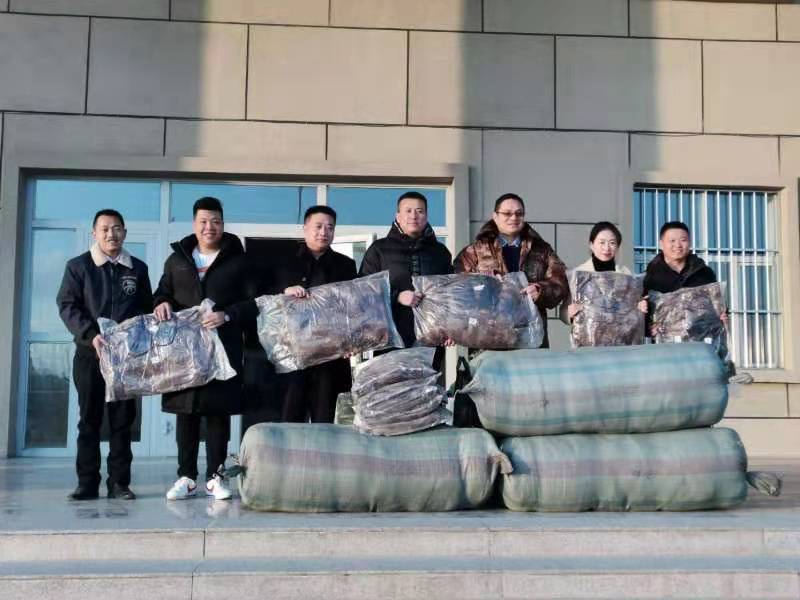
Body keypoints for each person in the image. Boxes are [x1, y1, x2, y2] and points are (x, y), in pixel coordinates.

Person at [153, 197, 255, 501]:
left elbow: (254, 303)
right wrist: (162, 302)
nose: (210, 227)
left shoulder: (239, 260)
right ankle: (185, 477)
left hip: (222, 350)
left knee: (217, 414)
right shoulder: (177, 260)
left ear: (223, 224)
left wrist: (227, 315)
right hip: (184, 351)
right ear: (194, 224)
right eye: (204, 221)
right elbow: (162, 292)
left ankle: (215, 477)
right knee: (186, 413)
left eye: (216, 221)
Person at [57, 209, 153, 501]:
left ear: (125, 232)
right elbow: (67, 305)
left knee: (123, 422)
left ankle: (119, 484)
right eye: (105, 229)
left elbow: (145, 309)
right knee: (89, 420)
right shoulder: (78, 267)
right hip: (90, 356)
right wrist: (90, 335)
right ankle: (87, 483)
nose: (111, 234)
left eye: (117, 228)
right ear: (94, 233)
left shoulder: (137, 269)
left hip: (125, 360)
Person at [269, 206, 357, 423]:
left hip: (331, 357)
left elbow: (353, 307)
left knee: (326, 420)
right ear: (305, 228)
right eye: (318, 226)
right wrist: (284, 291)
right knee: (290, 420)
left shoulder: (345, 265)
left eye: (330, 227)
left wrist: (352, 340)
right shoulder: (283, 261)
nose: (323, 232)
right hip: (293, 355)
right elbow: (263, 299)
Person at [454, 193, 568, 348]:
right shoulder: (474, 252)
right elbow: (459, 289)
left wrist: (540, 290)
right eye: (507, 213)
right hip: (488, 339)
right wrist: (486, 286)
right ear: (495, 216)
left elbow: (561, 280)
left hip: (531, 339)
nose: (513, 218)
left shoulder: (542, 250)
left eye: (519, 214)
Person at [358, 191, 453, 356]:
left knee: (429, 374)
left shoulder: (440, 252)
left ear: (426, 216)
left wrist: (451, 329)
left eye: (419, 211)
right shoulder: (379, 250)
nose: (413, 216)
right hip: (390, 341)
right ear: (398, 216)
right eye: (408, 211)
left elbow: (450, 294)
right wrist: (397, 297)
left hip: (431, 342)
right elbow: (363, 293)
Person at [643, 220, 728, 333]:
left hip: (699, 338)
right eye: (672, 241)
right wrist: (648, 328)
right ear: (661, 244)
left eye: (683, 240)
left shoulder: (704, 273)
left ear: (689, 242)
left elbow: (717, 304)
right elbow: (641, 314)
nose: (678, 245)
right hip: (664, 340)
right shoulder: (649, 277)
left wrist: (722, 315)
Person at [563, 221, 648, 323]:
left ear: (617, 247)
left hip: (619, 332)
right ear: (591, 245)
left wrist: (639, 307)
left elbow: (632, 308)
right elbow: (563, 311)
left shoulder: (627, 274)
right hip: (588, 332)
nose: (607, 248)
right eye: (602, 242)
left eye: (612, 243)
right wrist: (570, 313)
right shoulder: (579, 274)